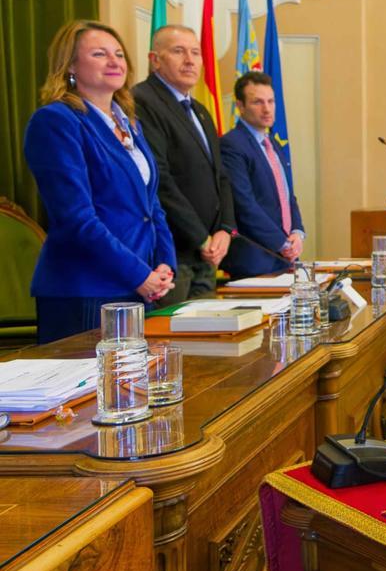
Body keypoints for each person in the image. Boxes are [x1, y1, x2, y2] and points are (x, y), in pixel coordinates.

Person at [23, 20, 176, 343]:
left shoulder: (130, 123)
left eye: (119, 54)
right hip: (85, 291)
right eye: (99, 54)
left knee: (131, 390)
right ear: (71, 66)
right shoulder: (56, 121)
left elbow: (152, 206)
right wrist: (140, 275)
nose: (114, 61)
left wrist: (165, 265)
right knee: (92, 392)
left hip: (140, 285)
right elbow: (75, 218)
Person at [133, 24, 235, 303]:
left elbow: (220, 176)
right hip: (173, 254)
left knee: (205, 343)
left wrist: (225, 229)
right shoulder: (142, 101)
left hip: (208, 254)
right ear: (155, 59)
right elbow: (160, 179)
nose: (190, 60)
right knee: (173, 343)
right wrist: (201, 238)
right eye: (178, 51)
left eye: (195, 52)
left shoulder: (200, 110)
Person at [219, 71, 304, 277]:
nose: (267, 109)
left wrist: (297, 232)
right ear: (240, 106)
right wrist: (282, 243)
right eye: (257, 102)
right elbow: (244, 204)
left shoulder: (272, 143)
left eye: (271, 101)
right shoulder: (232, 144)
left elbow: (286, 195)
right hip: (255, 260)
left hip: (284, 256)